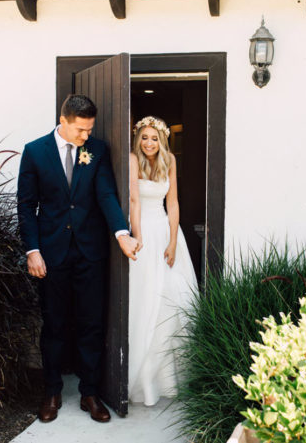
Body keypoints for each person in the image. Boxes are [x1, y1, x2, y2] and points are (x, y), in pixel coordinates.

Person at [17, 94, 140, 423]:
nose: (86, 135)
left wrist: (121, 233)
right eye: (81, 130)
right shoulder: (35, 151)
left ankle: (90, 393)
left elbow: (106, 194)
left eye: (90, 129)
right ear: (64, 121)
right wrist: (32, 251)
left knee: (91, 324)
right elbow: (26, 206)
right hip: (51, 254)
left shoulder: (96, 150)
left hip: (90, 252)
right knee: (54, 325)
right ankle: (52, 391)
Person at [127, 116, 197, 406]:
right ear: (138, 139)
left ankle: (170, 377)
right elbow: (134, 201)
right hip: (143, 230)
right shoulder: (133, 160)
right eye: (144, 137)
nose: (149, 143)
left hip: (166, 231)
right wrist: (137, 236)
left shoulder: (170, 160)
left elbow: (173, 202)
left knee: (172, 298)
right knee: (146, 298)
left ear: (162, 140)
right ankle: (142, 378)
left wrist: (173, 241)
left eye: (154, 138)